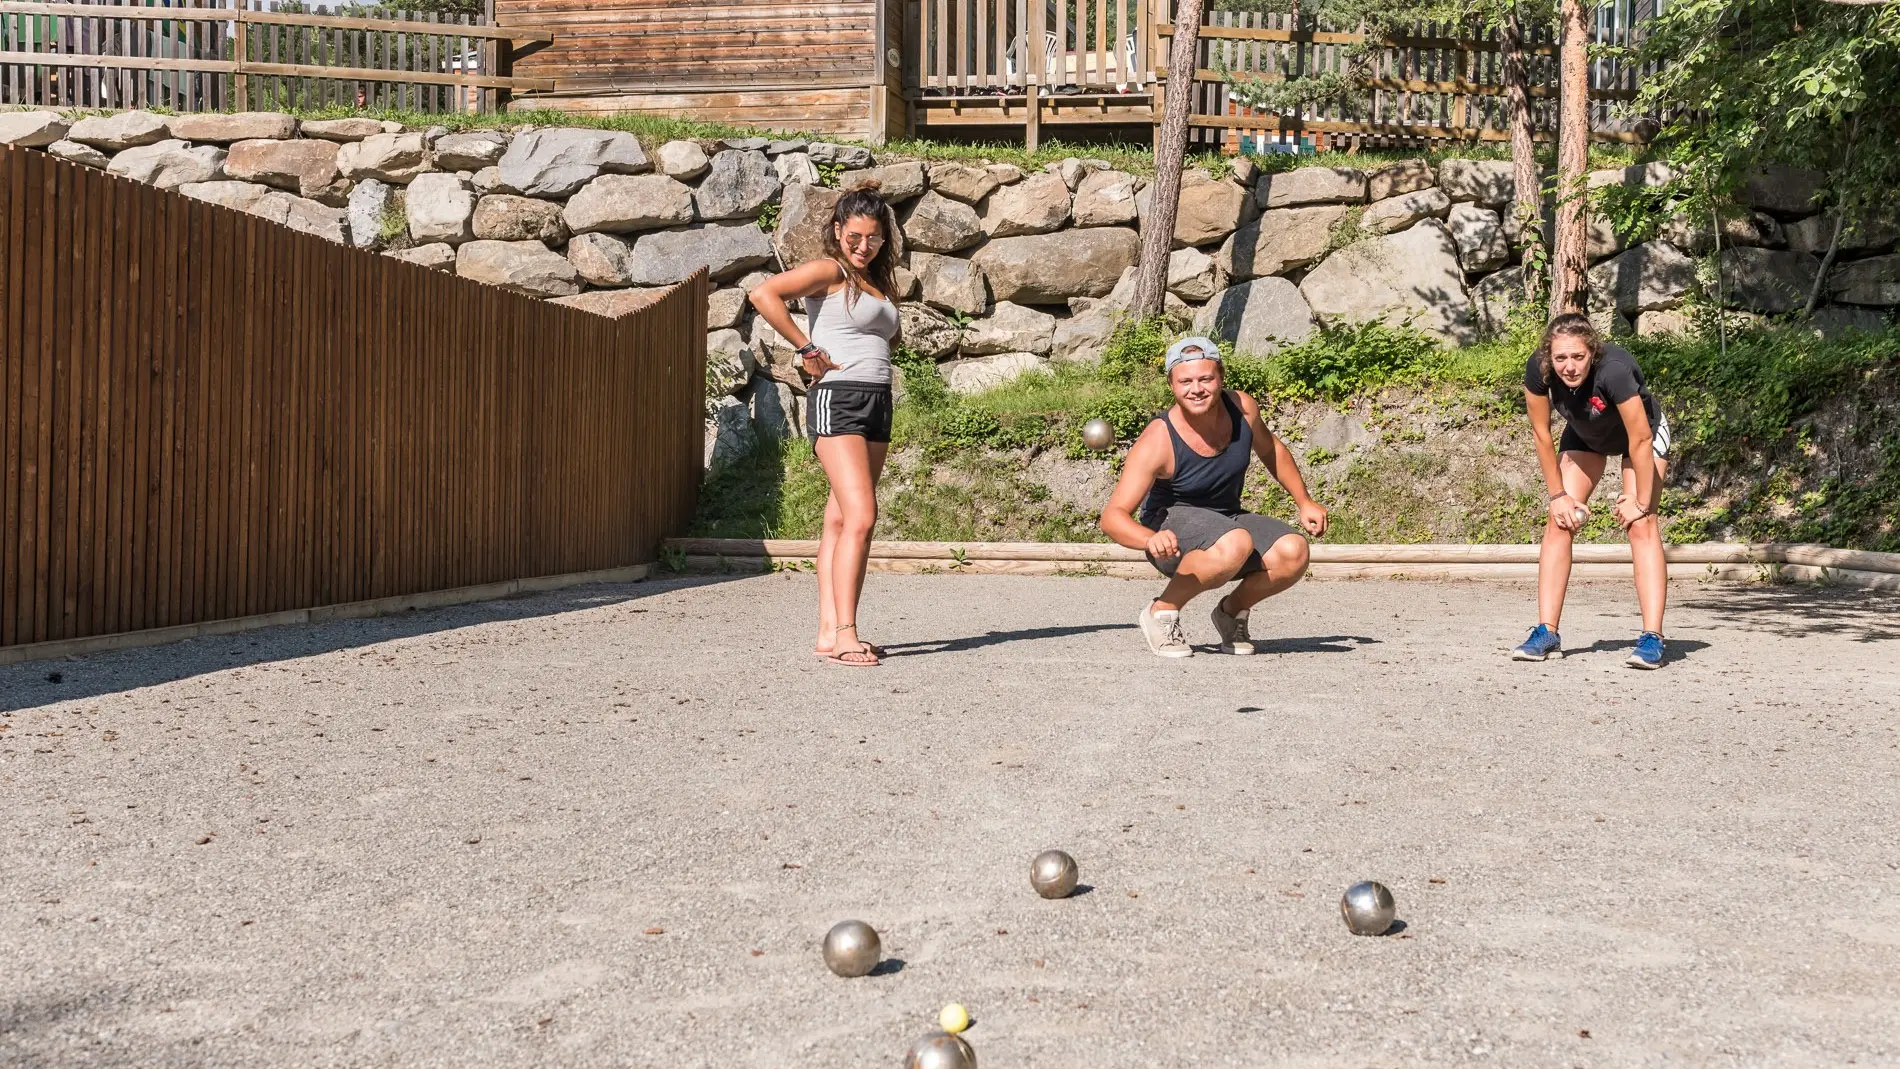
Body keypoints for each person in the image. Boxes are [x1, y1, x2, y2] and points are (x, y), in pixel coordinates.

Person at [748, 186, 902, 667]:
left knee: (839, 520)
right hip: (840, 398)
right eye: (854, 236)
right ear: (838, 231)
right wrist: (806, 348)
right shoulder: (830, 270)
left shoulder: (875, 282)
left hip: (876, 401)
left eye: (873, 238)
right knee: (862, 517)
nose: (863, 246)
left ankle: (825, 632)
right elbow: (763, 293)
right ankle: (846, 633)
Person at [1099, 337, 1329, 658]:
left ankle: (1231, 612)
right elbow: (1112, 517)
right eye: (1185, 381)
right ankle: (1162, 611)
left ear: (1220, 377)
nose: (1197, 388)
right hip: (1170, 529)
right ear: (1171, 384)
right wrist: (1148, 539)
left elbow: (1271, 448)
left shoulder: (1242, 408)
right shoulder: (1158, 439)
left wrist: (1304, 501)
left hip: (1226, 519)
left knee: (1293, 551)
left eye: (1206, 378)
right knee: (1235, 541)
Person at [1511, 313, 1672, 669]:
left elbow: (1641, 438)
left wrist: (1640, 501)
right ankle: (1546, 631)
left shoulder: (1613, 370)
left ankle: (1651, 637)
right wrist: (1558, 497)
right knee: (1560, 522)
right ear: (1549, 357)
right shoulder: (1539, 370)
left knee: (1641, 525)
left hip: (1641, 436)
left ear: (1593, 353)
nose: (1569, 366)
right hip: (1586, 435)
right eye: (1561, 358)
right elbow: (1541, 435)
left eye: (1578, 357)